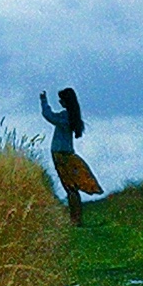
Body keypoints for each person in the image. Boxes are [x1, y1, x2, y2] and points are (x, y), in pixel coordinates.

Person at [41, 88, 102, 225]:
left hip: (60, 154)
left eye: (61, 99)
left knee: (70, 188)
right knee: (72, 188)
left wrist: (44, 101)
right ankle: (76, 219)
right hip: (67, 153)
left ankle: (75, 220)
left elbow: (49, 115)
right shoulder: (72, 117)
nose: (60, 102)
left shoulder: (64, 117)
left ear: (66, 102)